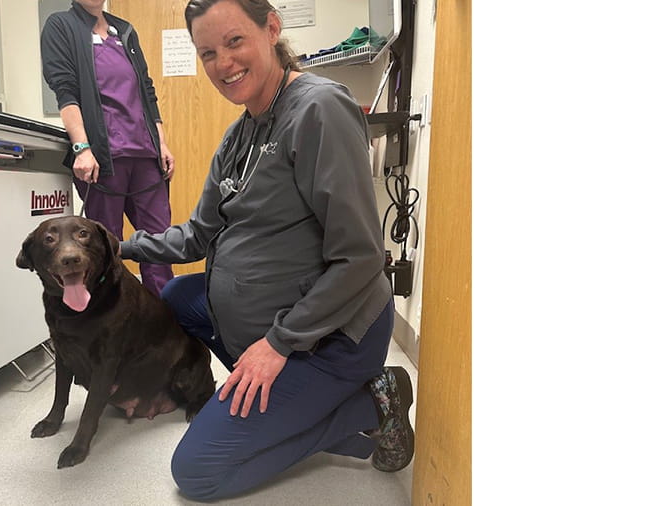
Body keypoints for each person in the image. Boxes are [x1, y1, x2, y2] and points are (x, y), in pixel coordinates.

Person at [118, 0, 416, 501]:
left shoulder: (320, 110)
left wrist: (278, 343)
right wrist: (120, 246)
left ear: (272, 28)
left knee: (197, 471)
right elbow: (197, 235)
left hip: (333, 336)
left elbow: (361, 258)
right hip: (274, 316)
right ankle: (287, 404)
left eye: (234, 41)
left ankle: (372, 404)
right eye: (207, 52)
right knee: (175, 299)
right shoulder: (238, 136)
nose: (223, 63)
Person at [41, 0, 175, 297]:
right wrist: (82, 148)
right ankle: (114, 319)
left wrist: (161, 143)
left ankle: (164, 317)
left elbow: (147, 91)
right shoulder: (61, 26)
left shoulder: (124, 30)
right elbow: (65, 89)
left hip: (146, 155)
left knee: (159, 245)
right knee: (106, 251)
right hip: (103, 158)